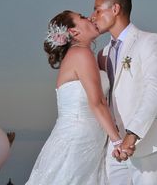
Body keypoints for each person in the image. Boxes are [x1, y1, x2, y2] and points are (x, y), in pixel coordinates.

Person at [25, 11, 124, 185]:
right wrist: (118, 141)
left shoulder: (84, 55)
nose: (91, 18)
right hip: (79, 138)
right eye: (83, 17)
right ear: (73, 32)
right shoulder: (80, 54)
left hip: (87, 137)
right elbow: (97, 102)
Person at [91, 0, 157, 185]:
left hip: (148, 144)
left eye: (98, 10)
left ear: (115, 9)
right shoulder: (102, 53)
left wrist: (132, 134)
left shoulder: (149, 41)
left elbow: (155, 90)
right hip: (114, 149)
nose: (93, 16)